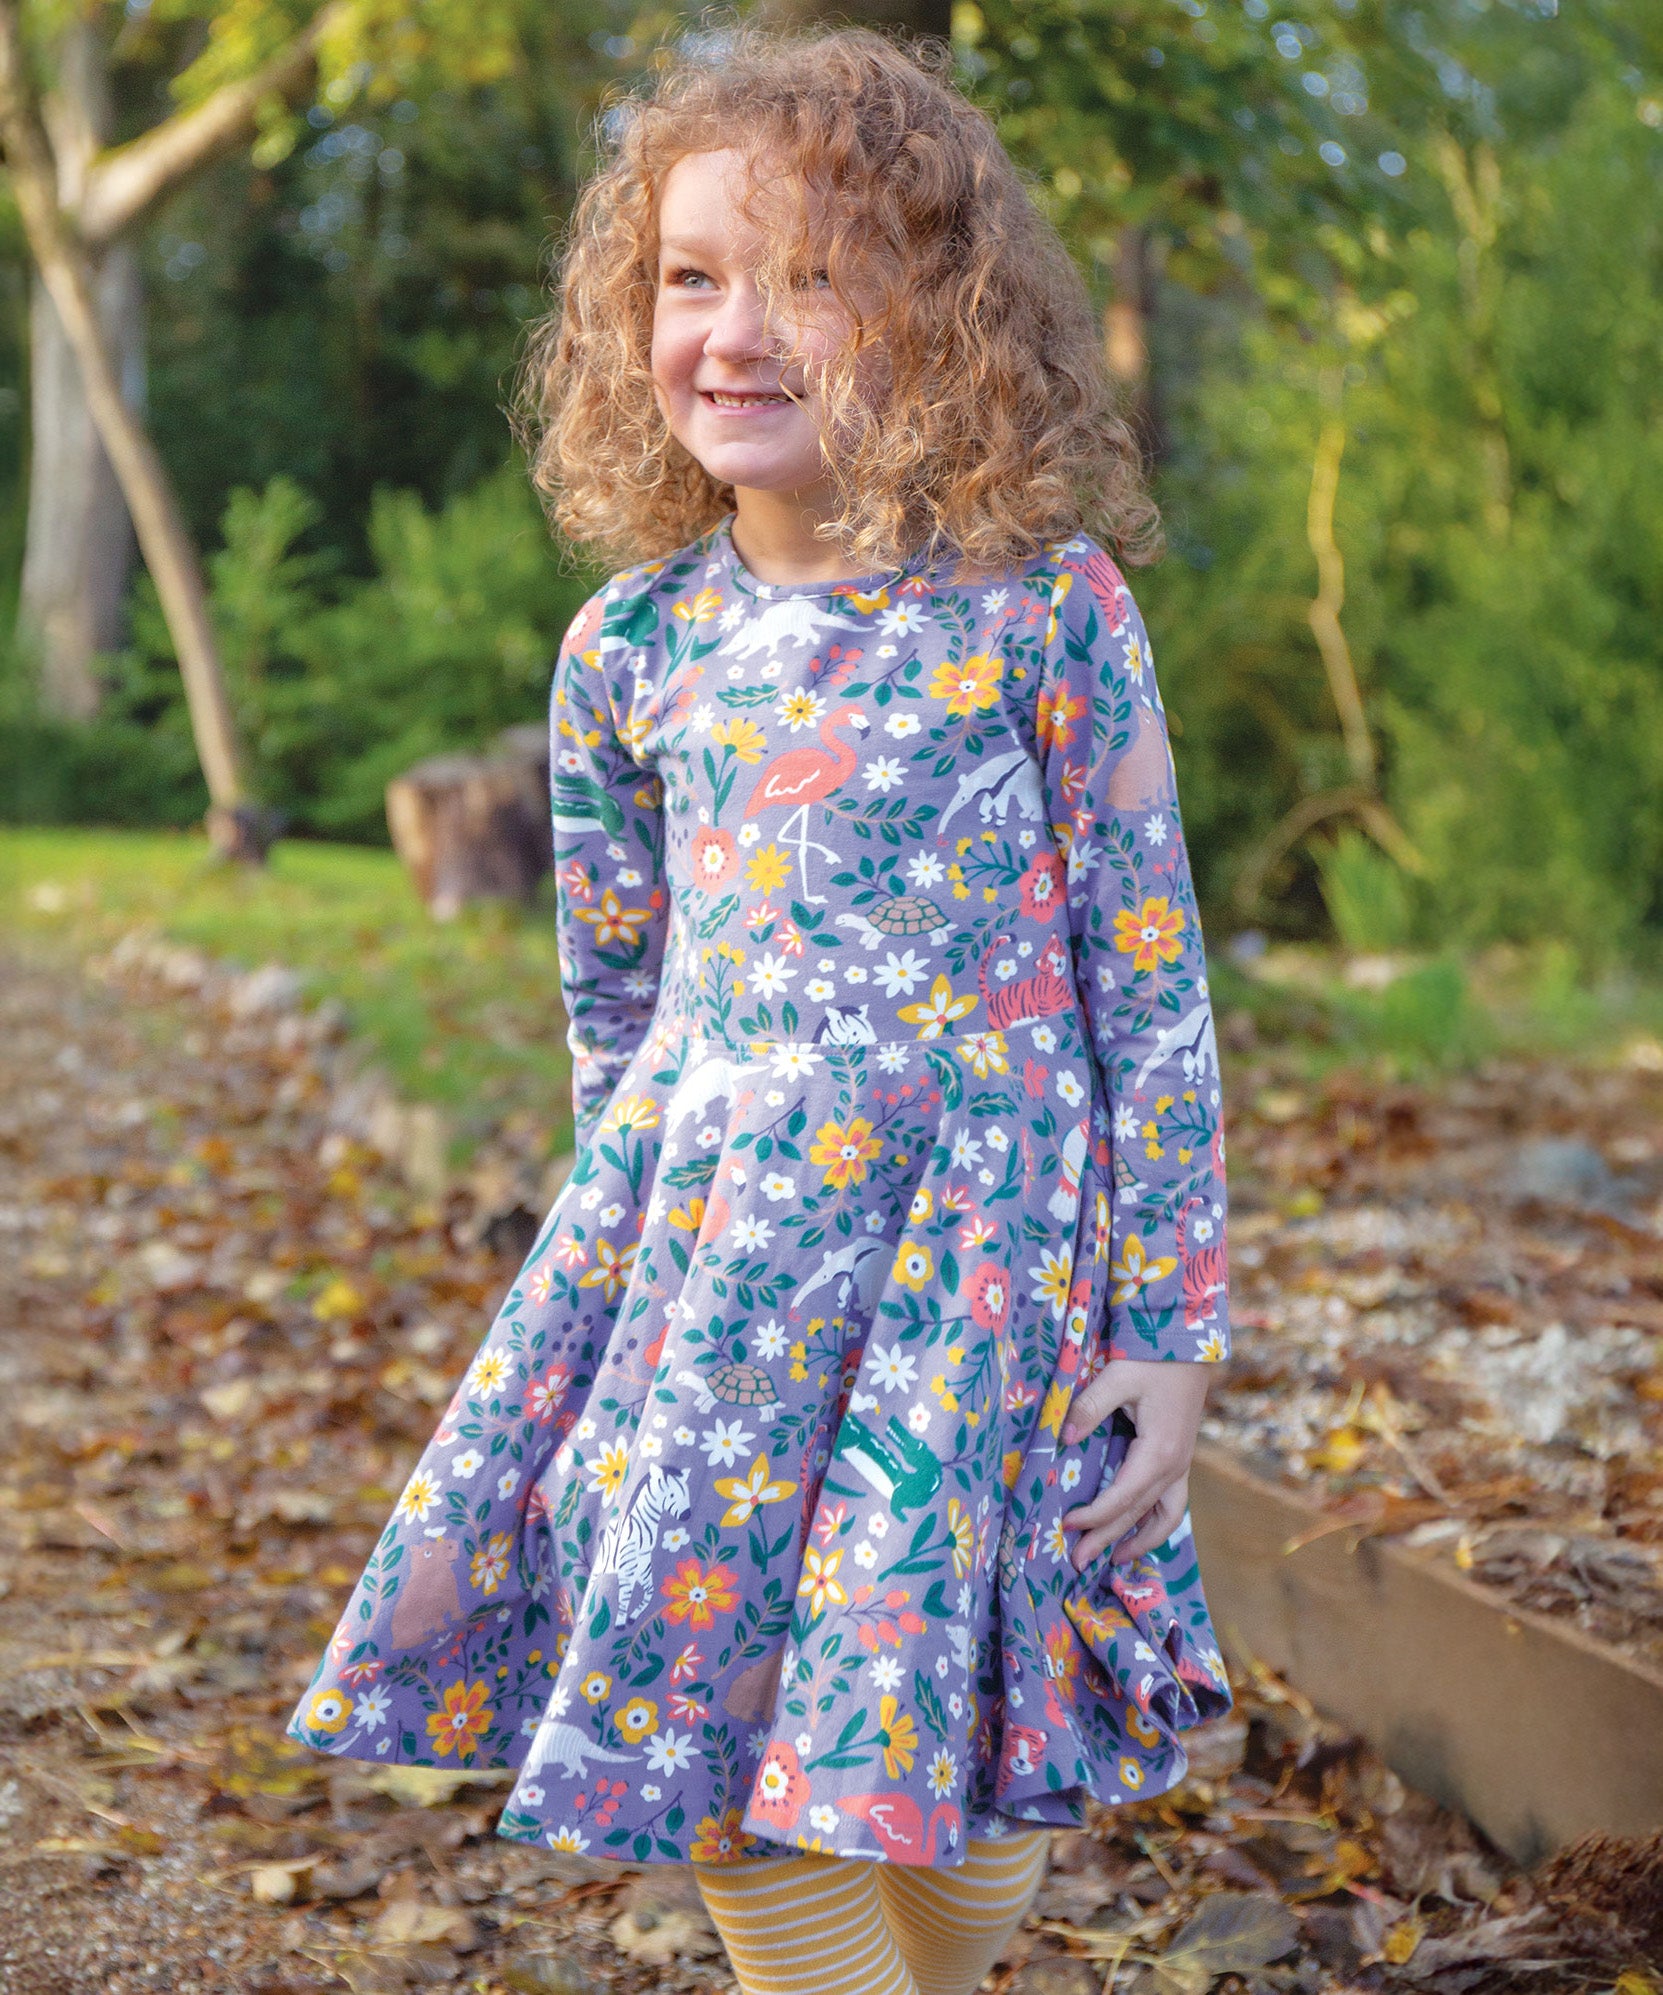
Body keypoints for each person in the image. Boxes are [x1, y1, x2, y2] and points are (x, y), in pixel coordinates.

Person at [288, 25, 1232, 1995]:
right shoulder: (631, 648)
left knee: (974, 1757)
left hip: (981, 1271)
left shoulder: (1045, 606)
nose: (736, 328)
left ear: (939, 309)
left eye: (813, 273)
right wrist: (624, 1294)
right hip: (716, 1278)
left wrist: (1170, 1320)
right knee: (716, 1725)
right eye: (692, 276)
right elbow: (614, 1013)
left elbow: (1148, 984)